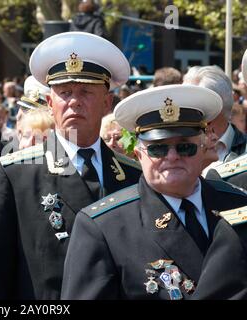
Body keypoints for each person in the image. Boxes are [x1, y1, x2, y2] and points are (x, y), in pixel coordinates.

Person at [0, 31, 142, 300]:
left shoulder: (133, 174)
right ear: (50, 103)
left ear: (107, 102)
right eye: (64, 93)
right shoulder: (15, 173)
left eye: (85, 91)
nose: (74, 101)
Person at [61, 84, 247, 300]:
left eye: (185, 147)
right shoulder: (103, 226)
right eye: (157, 148)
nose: (172, 156)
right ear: (139, 155)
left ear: (204, 147)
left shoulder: (238, 205)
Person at [183, 66, 246, 168]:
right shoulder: (175, 149)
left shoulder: (244, 152)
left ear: (220, 107)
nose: (184, 113)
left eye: (196, 107)